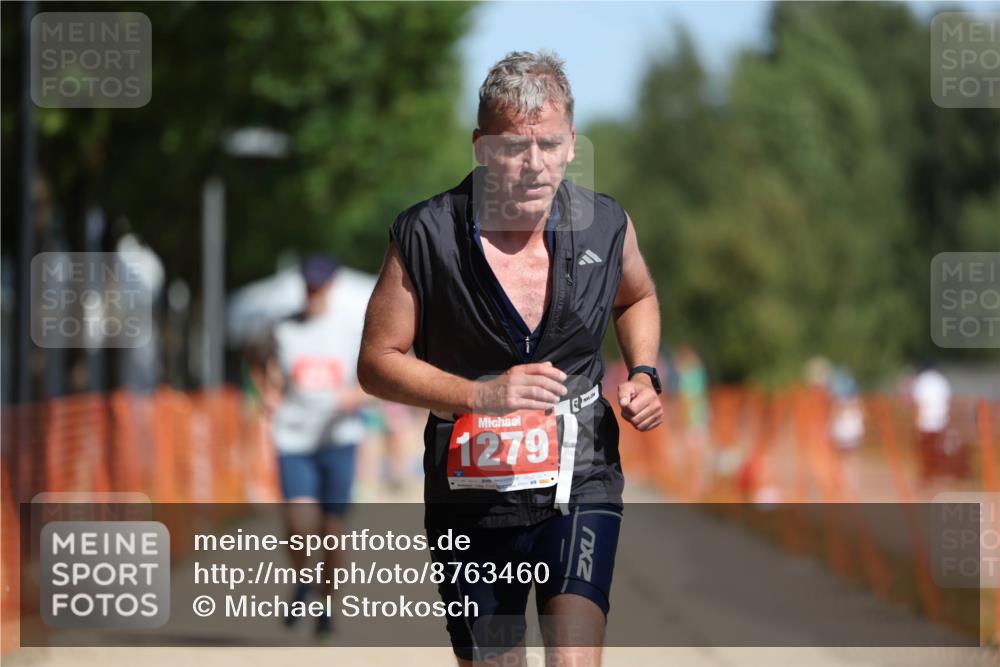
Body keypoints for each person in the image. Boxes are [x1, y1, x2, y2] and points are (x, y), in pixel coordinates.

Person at [358, 51, 662, 666]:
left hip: (581, 479)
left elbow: (639, 298)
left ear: (572, 144)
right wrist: (479, 396)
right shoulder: (425, 235)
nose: (532, 165)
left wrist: (644, 373)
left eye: (548, 145)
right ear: (479, 146)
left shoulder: (606, 226)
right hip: (472, 497)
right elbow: (376, 362)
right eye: (510, 148)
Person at [252, 253, 373, 640]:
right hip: (294, 437)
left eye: (320, 286)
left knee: (332, 529)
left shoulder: (352, 328)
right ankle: (304, 580)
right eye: (308, 286)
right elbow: (258, 361)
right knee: (298, 520)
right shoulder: (284, 328)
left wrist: (356, 396)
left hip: (338, 438)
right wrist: (268, 393)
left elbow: (378, 372)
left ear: (332, 286)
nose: (313, 293)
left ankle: (326, 604)